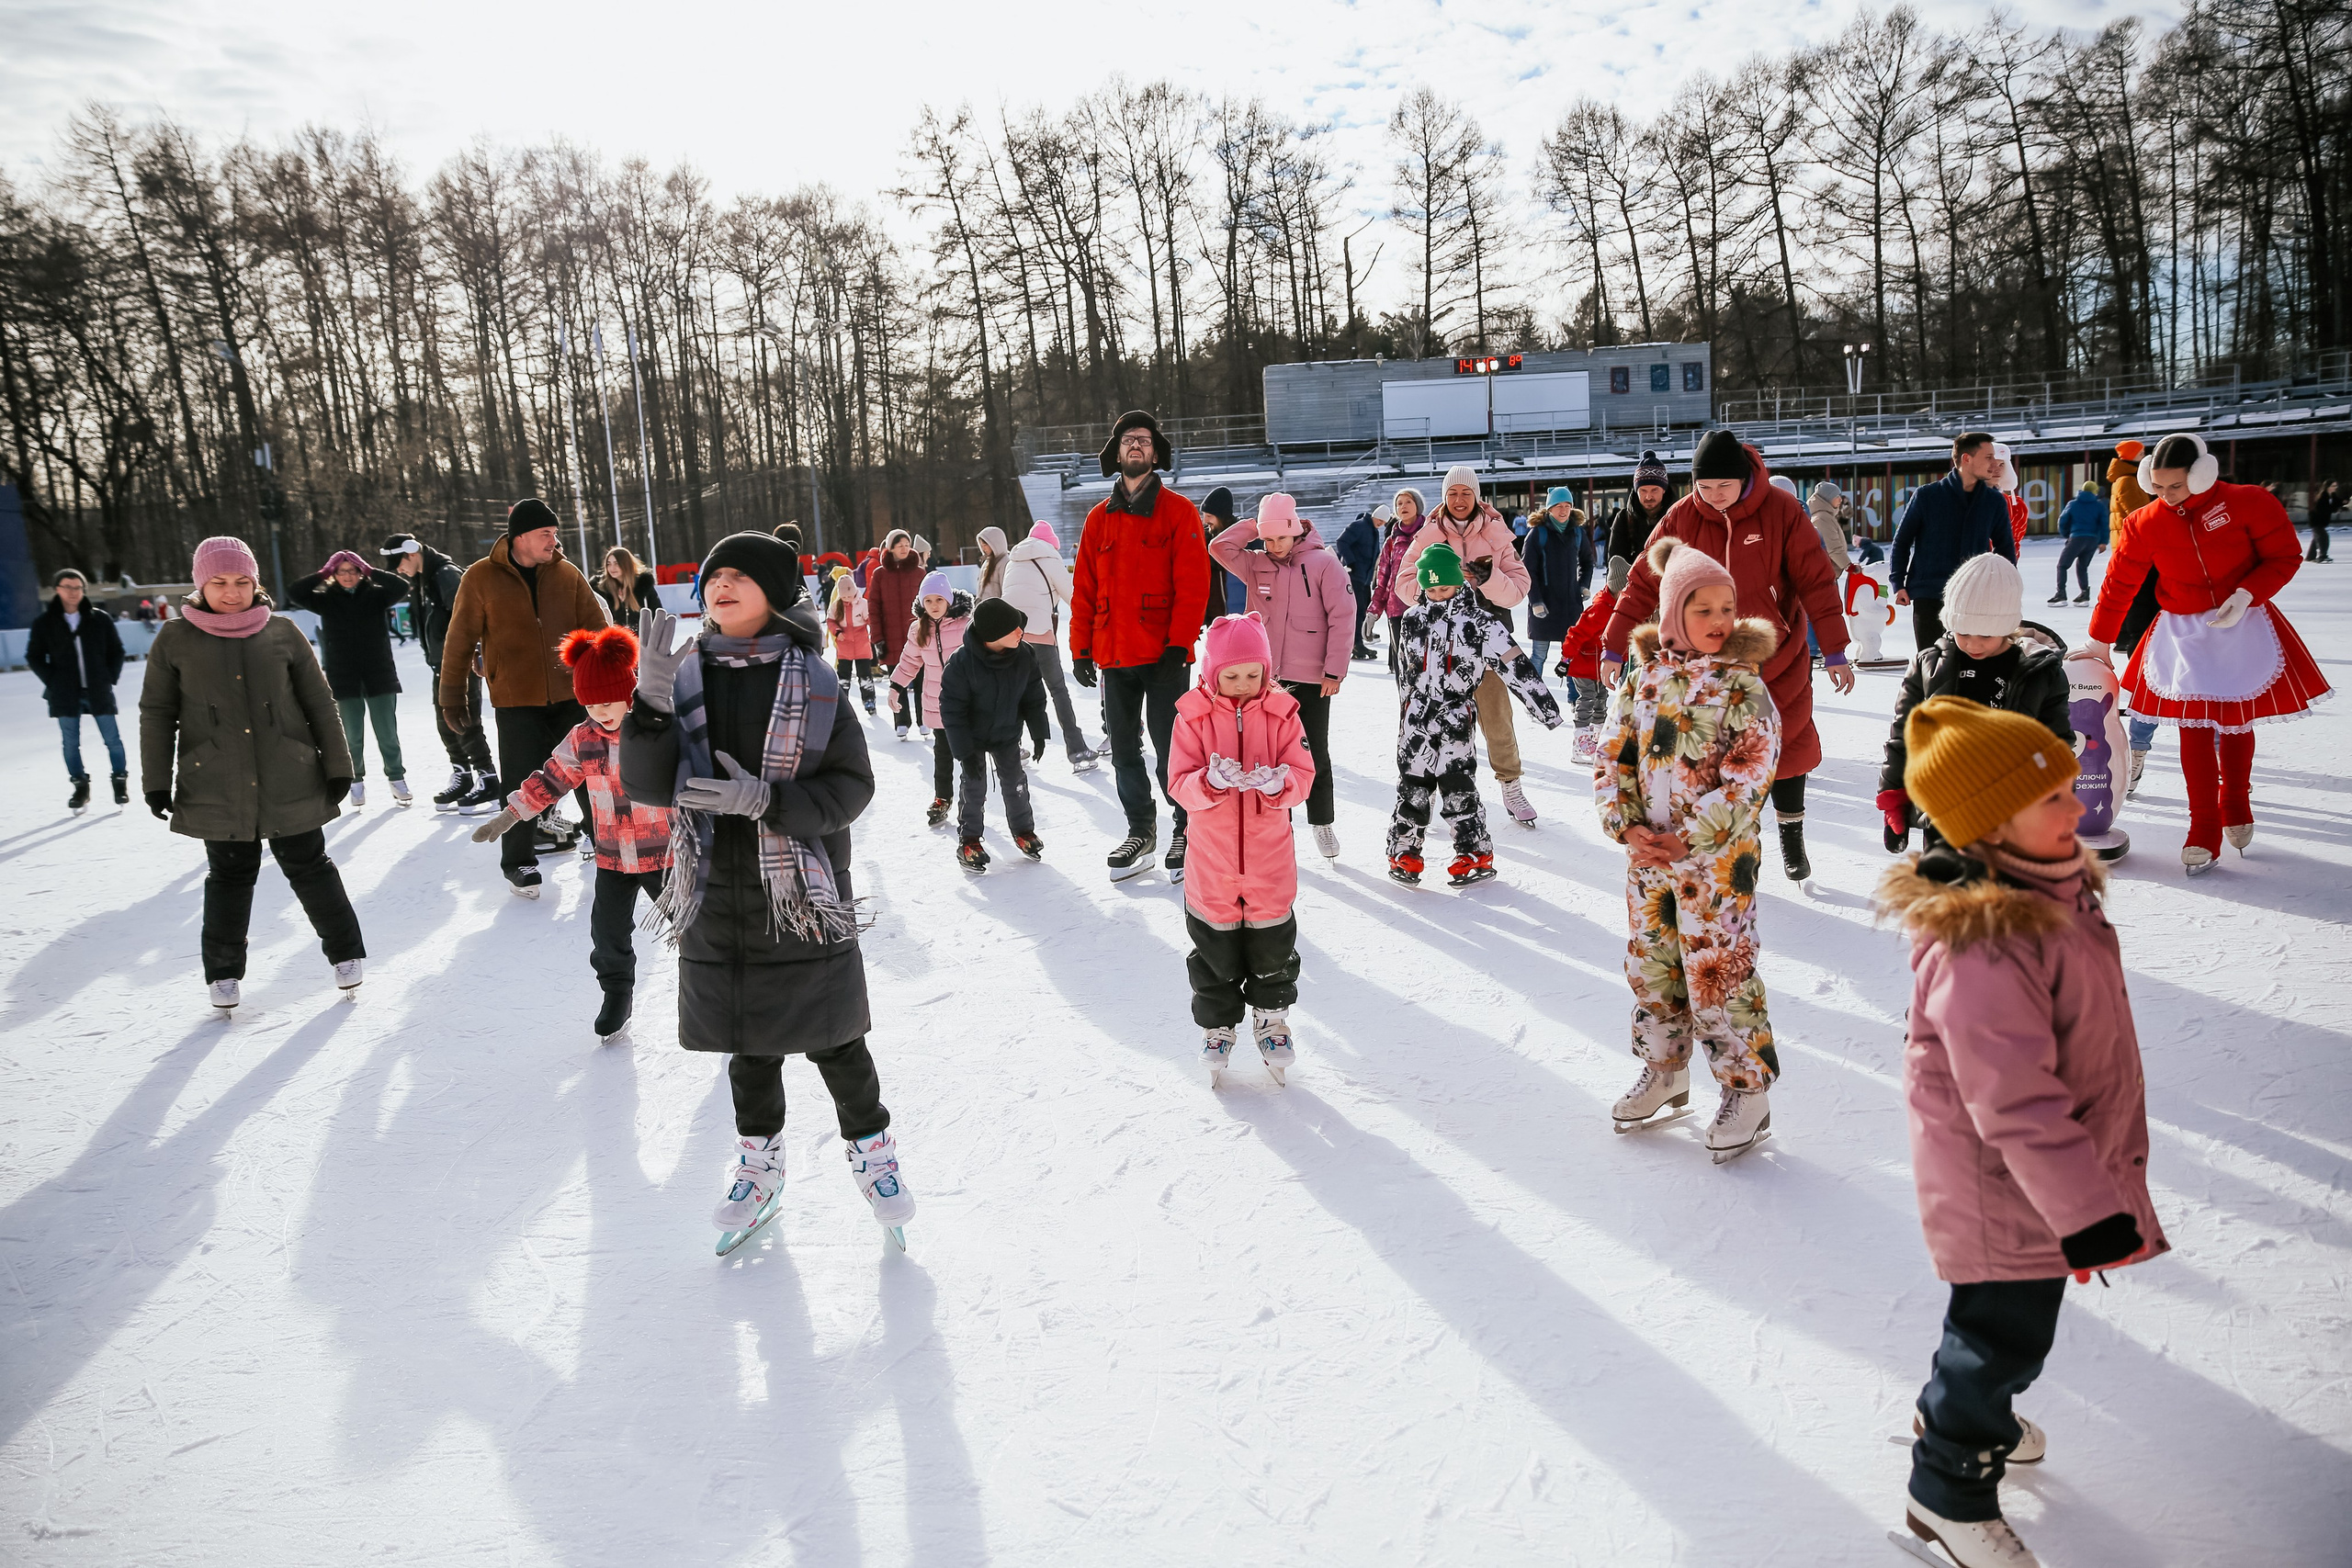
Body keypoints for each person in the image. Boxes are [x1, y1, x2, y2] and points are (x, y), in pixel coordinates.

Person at [1879, 696, 2165, 1568]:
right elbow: (2014, 1099)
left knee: (2001, 1323)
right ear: (1991, 826)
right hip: (2006, 1183)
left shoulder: (2046, 888)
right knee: (2001, 1332)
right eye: (2053, 798)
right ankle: (1949, 1487)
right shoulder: (1986, 943)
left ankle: (1963, 1411)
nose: (2079, 806)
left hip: (2032, 1179)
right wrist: (2087, 1211)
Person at [616, 532, 913, 1248]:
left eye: (739, 576)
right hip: (718, 895)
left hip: (801, 897)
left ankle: (874, 1154)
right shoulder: (685, 676)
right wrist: (649, 708)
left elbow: (851, 787)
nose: (720, 585)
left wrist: (767, 802)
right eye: (713, 576)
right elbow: (651, 785)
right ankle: (760, 1167)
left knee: (838, 1039)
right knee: (748, 1048)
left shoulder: (816, 681)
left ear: (775, 594)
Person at [1601, 430, 1854, 882]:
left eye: (1723, 487)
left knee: (1788, 743)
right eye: (1704, 487)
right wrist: (1614, 642)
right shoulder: (1682, 516)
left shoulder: (1782, 511)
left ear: (1744, 480)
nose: (1714, 497)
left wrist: (1834, 648)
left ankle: (1792, 832)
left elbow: (1816, 579)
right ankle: (1738, 844)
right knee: (1716, 758)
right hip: (1704, 661)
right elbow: (1642, 579)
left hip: (1775, 649)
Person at [1599, 539, 1781, 1160]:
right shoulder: (1641, 680)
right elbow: (1612, 756)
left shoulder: (1743, 687)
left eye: (1727, 607)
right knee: (1655, 967)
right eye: (1702, 608)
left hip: (1716, 865)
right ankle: (1665, 1069)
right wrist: (1626, 827)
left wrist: (1689, 835)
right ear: (1674, 613)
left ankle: (1746, 1088)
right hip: (1648, 864)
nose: (1719, 620)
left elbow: (1751, 774)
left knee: (1719, 972)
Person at [2085, 432, 2329, 873]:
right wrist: (2100, 637)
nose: (2165, 495)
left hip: (2243, 623)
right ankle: (2204, 825)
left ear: (2201, 474)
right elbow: (2120, 581)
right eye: (2156, 487)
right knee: (2192, 727)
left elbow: (2285, 555)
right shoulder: (2145, 520)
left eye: (2174, 486)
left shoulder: (2248, 502)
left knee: (2236, 721)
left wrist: (2246, 594)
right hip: (2182, 631)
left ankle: (2236, 801)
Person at [140, 536, 365, 1010]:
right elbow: (157, 712)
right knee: (229, 875)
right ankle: (223, 974)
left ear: (255, 582)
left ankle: (346, 955)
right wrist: (156, 780)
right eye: (219, 582)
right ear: (201, 584)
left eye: (242, 581)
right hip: (215, 778)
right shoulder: (175, 639)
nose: (231, 592)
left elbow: (320, 703)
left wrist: (338, 765)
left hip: (290, 772)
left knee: (309, 867)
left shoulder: (282, 632)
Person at [468, 626, 670, 1041]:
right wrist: (511, 815)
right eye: (591, 704)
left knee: (695, 928)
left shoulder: (655, 731)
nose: (601, 711)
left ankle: (723, 986)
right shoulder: (582, 739)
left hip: (664, 853)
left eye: (608, 701)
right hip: (612, 856)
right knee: (608, 934)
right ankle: (617, 994)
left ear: (628, 691)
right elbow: (552, 777)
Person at [1168, 612, 1316, 1085]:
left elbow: (1305, 776)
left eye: (1254, 674)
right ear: (1211, 672)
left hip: (1269, 858)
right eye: (1231, 676)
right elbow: (1177, 783)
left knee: (1273, 945)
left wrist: (1280, 783)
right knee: (1215, 951)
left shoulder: (1283, 713)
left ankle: (1271, 1016)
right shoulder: (1191, 717)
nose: (1243, 684)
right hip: (1212, 861)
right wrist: (1207, 780)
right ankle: (1217, 1026)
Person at [438, 497, 611, 897]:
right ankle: (519, 862)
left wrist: (620, 681)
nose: (554, 540)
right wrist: (451, 696)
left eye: (554, 533)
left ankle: (606, 844)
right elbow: (460, 639)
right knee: (520, 780)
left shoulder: (567, 575)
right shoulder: (480, 577)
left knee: (591, 774)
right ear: (520, 538)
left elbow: (600, 631)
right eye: (545, 534)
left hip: (572, 694)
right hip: (516, 699)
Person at [1069, 409, 1212, 883]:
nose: (1137, 445)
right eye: (1129, 439)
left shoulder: (1178, 511)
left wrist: (1179, 643)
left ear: (1156, 453)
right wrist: (1080, 648)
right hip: (1114, 655)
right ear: (1116, 451)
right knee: (1125, 750)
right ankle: (1140, 831)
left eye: (1146, 440)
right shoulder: (1098, 519)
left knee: (1172, 746)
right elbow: (1084, 589)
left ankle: (1184, 825)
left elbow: (1194, 584)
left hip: (1163, 655)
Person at [1385, 545, 1562, 887]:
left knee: (1458, 785)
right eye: (1431, 589)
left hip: (1455, 715)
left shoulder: (1479, 622)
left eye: (1445, 588)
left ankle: (1473, 852)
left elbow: (1514, 664)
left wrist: (1545, 708)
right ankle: (1404, 850)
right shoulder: (1411, 620)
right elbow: (1405, 671)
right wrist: (1406, 712)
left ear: (1458, 584)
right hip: (1417, 717)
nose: (1438, 595)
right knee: (1412, 785)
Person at [1877, 555, 2071, 854]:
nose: (1973, 643)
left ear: (2007, 626)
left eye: (1986, 634)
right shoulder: (1929, 665)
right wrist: (1894, 795)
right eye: (1963, 632)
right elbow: (1903, 734)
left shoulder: (2038, 673)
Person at [1205, 492, 1354, 859]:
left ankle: (1321, 822)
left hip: (1312, 679)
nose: (1273, 546)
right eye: (1267, 539)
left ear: (1295, 530)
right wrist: (1257, 526)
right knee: (1268, 754)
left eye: (1280, 537)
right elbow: (1220, 547)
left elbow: (1343, 615)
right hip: (1265, 679)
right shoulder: (1256, 563)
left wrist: (1334, 670)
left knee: (1313, 750)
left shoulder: (1322, 563)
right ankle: (1277, 825)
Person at [1394, 465, 1541, 827]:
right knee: (1435, 722)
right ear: (1444, 498)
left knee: (1496, 717)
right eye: (1453, 494)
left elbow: (1519, 588)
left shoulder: (1495, 533)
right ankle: (1427, 794)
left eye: (1466, 493)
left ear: (1476, 496)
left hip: (1484, 634)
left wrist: (1489, 579)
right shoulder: (1429, 534)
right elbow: (1404, 582)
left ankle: (1510, 784)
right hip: (1438, 642)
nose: (1459, 500)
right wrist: (1433, 595)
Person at [288, 548, 413, 807]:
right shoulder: (325, 599)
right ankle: (355, 782)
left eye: (353, 570)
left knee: (387, 734)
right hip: (343, 677)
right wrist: (322, 573)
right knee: (351, 735)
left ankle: (397, 778)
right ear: (334, 574)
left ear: (360, 572)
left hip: (379, 674)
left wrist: (370, 569)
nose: (347, 575)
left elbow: (401, 585)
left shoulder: (376, 595)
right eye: (341, 571)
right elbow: (295, 592)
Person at [383, 534, 499, 813]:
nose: (398, 569)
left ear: (411, 553)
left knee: (465, 720)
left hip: (462, 661)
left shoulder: (445, 575)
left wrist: (477, 652)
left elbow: (471, 615)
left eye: (398, 563)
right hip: (443, 663)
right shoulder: (424, 580)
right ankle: (462, 774)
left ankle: (489, 780)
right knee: (445, 721)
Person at [938, 596, 1047, 873]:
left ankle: (1024, 831)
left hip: (1006, 733)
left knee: (1015, 783)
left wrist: (1038, 731)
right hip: (972, 737)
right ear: (993, 635)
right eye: (1013, 629)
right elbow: (952, 710)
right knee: (974, 787)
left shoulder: (1024, 654)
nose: (1021, 631)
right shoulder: (961, 663)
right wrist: (963, 753)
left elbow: (1034, 695)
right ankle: (969, 840)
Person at [1893, 433, 2018, 649]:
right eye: (1987, 457)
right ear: (1966, 459)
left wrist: (2004, 587)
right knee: (1930, 663)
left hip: (1974, 597)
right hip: (1929, 594)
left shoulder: (1994, 501)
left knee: (1968, 666)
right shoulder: (1927, 496)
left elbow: (2005, 547)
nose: (1994, 464)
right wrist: (1898, 583)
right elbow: (1902, 541)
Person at [996, 521, 1099, 770]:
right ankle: (1077, 749)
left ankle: (1010, 749)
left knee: (1014, 693)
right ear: (1052, 544)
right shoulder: (1051, 558)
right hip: (1039, 633)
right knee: (1057, 690)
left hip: (1009, 635)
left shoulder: (1013, 560)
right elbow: (1073, 598)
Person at [27, 568, 128, 814]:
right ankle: (80, 787)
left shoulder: (99, 619)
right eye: (68, 587)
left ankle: (120, 782)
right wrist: (53, 680)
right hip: (64, 693)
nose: (73, 592)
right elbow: (34, 656)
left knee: (112, 739)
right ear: (57, 590)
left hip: (98, 690)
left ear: (84, 590)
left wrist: (108, 678)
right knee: (70, 743)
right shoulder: (45, 623)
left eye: (78, 588)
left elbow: (117, 650)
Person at [889, 573, 973, 829]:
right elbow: (910, 661)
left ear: (948, 599)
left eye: (939, 599)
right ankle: (942, 797)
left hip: (966, 702)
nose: (934, 605)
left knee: (970, 755)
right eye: (928, 600)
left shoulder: (965, 624)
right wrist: (895, 687)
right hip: (936, 701)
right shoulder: (918, 629)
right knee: (942, 753)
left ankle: (971, 799)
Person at [1555, 555, 1625, 761]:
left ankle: (1597, 738)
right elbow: (1575, 634)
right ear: (1615, 588)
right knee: (1587, 700)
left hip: (1600, 667)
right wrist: (1565, 659)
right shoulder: (1600, 609)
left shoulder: (1617, 609)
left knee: (1601, 700)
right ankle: (1580, 743)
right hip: (1583, 665)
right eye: (1623, 591)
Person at [1521, 486, 1591, 683]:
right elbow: (1529, 571)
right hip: (1544, 605)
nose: (1563, 510)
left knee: (1570, 654)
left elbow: (1587, 562)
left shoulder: (1577, 533)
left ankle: (1574, 698)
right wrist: (1535, 601)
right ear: (1549, 509)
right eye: (1558, 506)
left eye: (1567, 506)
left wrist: (1583, 585)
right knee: (1539, 656)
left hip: (1570, 605)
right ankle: (1534, 698)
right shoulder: (1537, 534)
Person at [868, 530, 927, 739]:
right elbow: (873, 607)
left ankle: (924, 719)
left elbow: (929, 603)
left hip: (919, 635)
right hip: (891, 636)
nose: (904, 547)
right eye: (899, 544)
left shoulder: (919, 573)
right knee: (898, 678)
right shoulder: (880, 574)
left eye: (907, 544)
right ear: (890, 547)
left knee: (923, 678)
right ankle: (901, 721)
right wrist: (878, 639)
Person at [1369, 488, 1430, 679]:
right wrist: (1373, 612)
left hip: (1427, 609)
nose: (1403, 506)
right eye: (1399, 503)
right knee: (1403, 670)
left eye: (1408, 502)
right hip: (1396, 612)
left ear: (1418, 506)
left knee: (1427, 667)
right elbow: (1383, 579)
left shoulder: (1430, 535)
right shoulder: (1391, 541)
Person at [823, 565, 878, 715]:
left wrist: (873, 629)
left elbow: (870, 619)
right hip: (844, 646)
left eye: (850, 595)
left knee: (865, 676)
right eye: (844, 596)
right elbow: (830, 620)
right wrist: (837, 632)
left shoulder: (863, 604)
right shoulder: (836, 606)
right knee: (843, 677)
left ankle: (869, 700)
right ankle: (843, 702)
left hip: (861, 645)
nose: (847, 599)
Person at [1606, 451, 1675, 566]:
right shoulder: (1624, 519)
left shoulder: (1677, 516)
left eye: (1654, 490)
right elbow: (1616, 563)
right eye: (1643, 491)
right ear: (1636, 491)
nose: (1648, 497)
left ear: (1664, 490)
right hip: (1634, 581)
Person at [1333, 507, 1383, 660]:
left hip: (1364, 579)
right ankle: (1356, 644)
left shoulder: (1372, 530)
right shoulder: (1360, 526)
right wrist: (1351, 562)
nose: (1381, 524)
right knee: (1357, 611)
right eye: (1380, 520)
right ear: (1374, 516)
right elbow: (1341, 542)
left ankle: (1358, 642)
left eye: (1383, 522)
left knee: (1362, 610)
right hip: (1354, 576)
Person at [2051, 482, 2109, 604]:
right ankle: (2084, 594)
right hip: (2092, 540)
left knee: (2062, 565)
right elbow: (2104, 524)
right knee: (2082, 567)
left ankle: (2061, 594)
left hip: (2076, 538)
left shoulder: (2073, 504)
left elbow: (2062, 521)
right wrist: (2103, 541)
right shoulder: (2099, 506)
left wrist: (2067, 534)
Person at [1199, 487, 1246, 618]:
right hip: (1215, 613)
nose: (1205, 521)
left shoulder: (1244, 536)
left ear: (1221, 516)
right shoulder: (1204, 539)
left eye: (1209, 516)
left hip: (1241, 611)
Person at [594, 546, 660, 621]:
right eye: (609, 564)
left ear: (626, 565)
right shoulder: (600, 588)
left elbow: (657, 613)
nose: (612, 568)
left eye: (616, 563)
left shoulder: (643, 585)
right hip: (613, 632)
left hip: (641, 632)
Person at [2308, 479, 2339, 562]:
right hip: (2316, 521)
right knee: (2323, 537)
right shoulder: (2323, 496)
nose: (2335, 487)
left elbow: (2336, 504)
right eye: (2333, 486)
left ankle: (2310, 556)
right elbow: (2323, 509)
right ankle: (2322, 556)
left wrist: (2343, 504)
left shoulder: (2332, 495)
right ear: (2327, 487)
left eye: (2336, 486)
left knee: (2316, 538)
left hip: (2322, 521)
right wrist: (2333, 509)